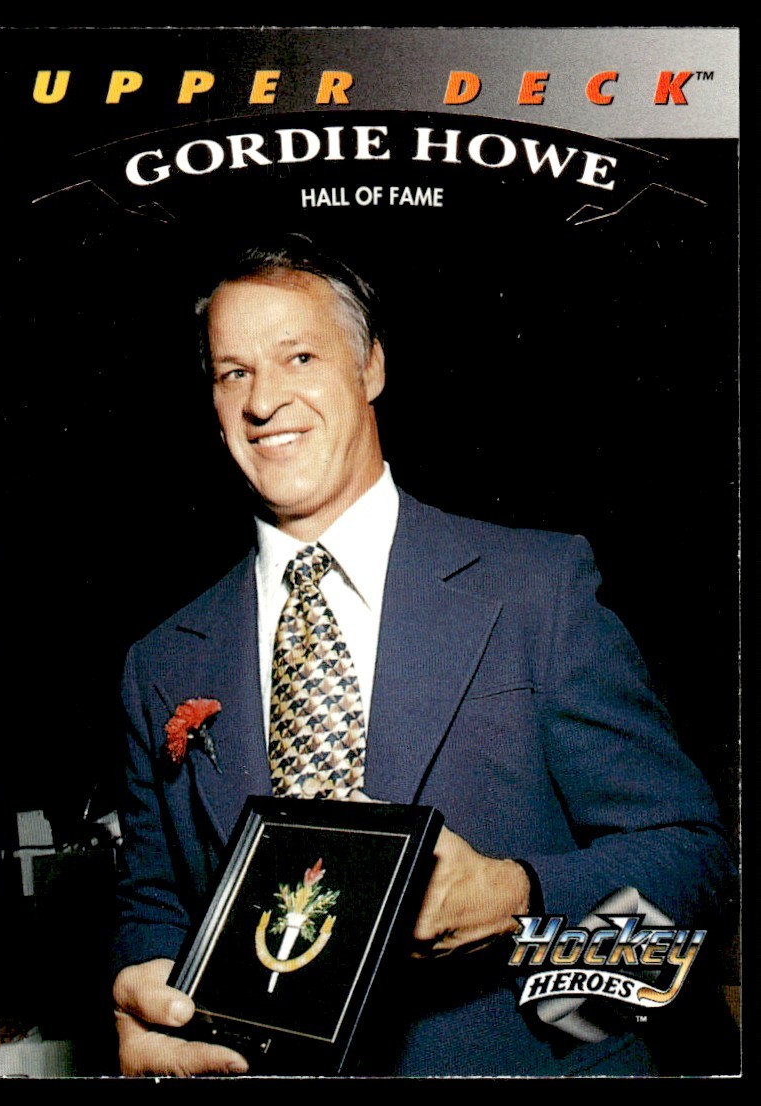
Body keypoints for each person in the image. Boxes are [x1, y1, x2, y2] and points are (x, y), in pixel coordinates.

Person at [112, 234, 734, 1077]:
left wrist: (521, 903)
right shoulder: (161, 663)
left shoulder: (534, 588)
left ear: (369, 367)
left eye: (298, 357)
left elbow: (694, 859)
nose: (263, 401)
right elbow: (155, 900)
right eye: (233, 372)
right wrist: (144, 998)